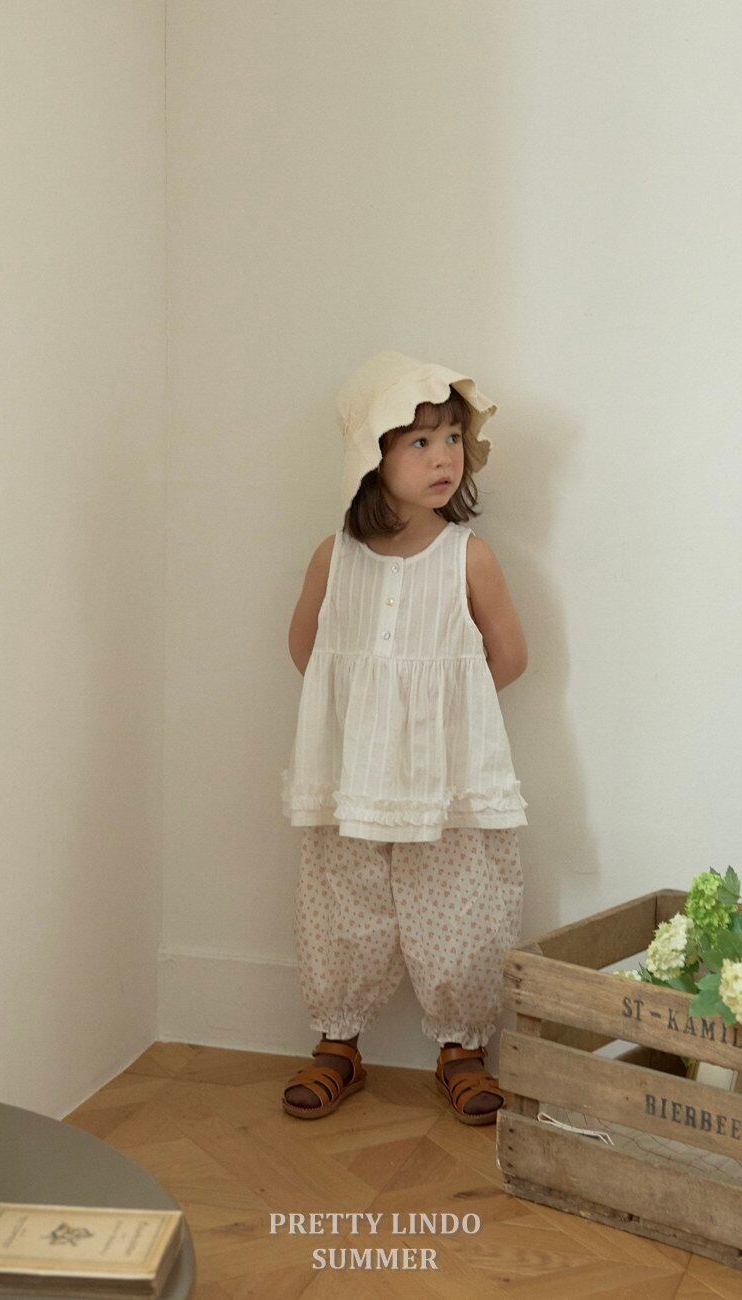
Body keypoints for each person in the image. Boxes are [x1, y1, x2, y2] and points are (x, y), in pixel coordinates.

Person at [279, 350, 528, 1126]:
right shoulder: (335, 558)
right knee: (342, 899)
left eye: (452, 438)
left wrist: (439, 724)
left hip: (443, 777)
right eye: (420, 441)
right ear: (372, 456)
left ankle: (462, 1049)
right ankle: (338, 1041)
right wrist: (364, 724)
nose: (444, 457)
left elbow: (509, 657)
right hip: (352, 776)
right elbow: (307, 650)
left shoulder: (468, 558)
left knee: (457, 900)